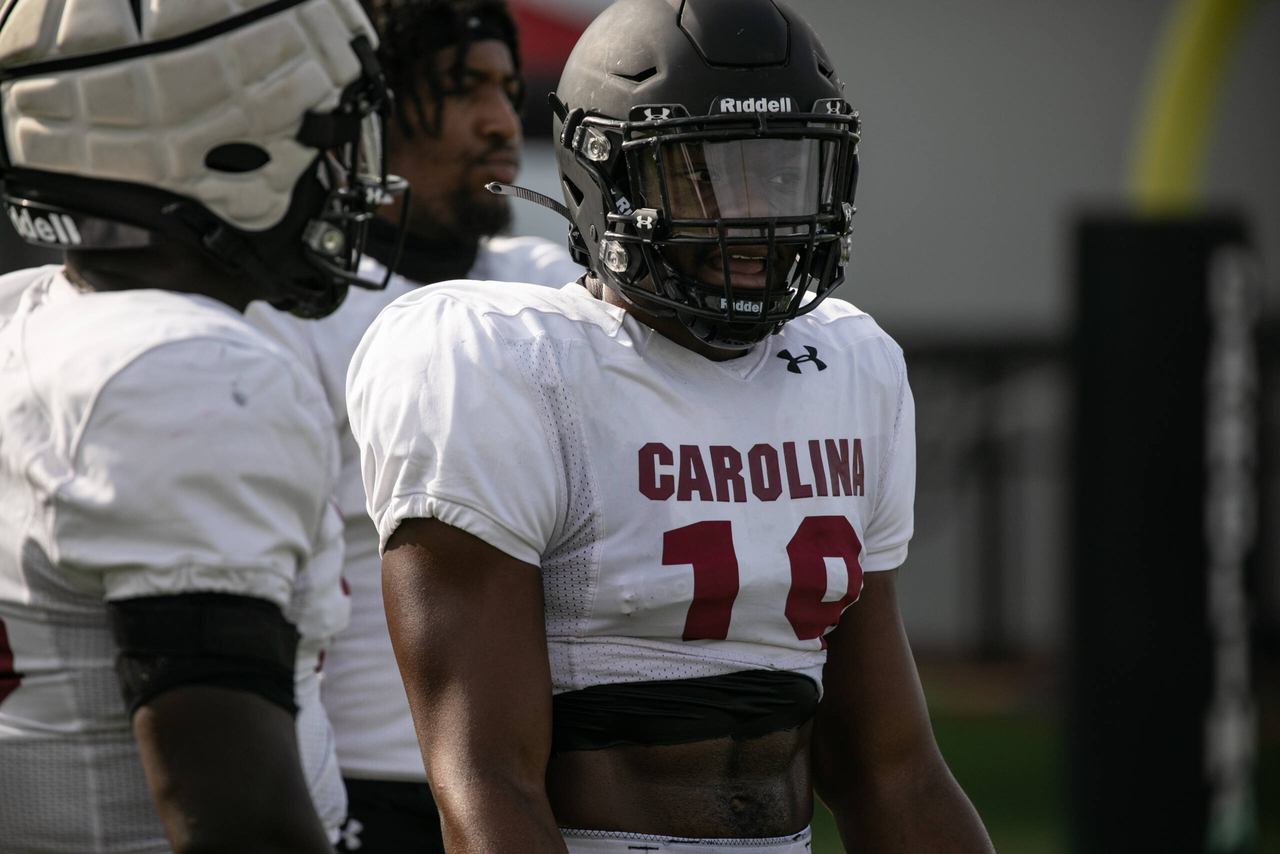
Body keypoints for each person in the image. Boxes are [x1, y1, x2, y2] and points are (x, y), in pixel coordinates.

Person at [349, 0, 999, 852]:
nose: (755, 215)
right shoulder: (507, 365)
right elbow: (486, 779)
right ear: (604, 178)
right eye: (706, 174)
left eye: (783, 171)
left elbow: (893, 771)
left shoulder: (851, 364)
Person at [0, 1, 405, 851]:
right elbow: (240, 820)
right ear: (230, 143)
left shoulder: (27, 319)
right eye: (326, 135)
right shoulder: (186, 373)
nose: (348, 173)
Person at [248, 2, 582, 851]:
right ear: (370, 113)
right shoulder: (291, 313)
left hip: (549, 782)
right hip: (362, 785)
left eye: (508, 88)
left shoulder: (551, 292)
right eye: (460, 88)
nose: (502, 119)